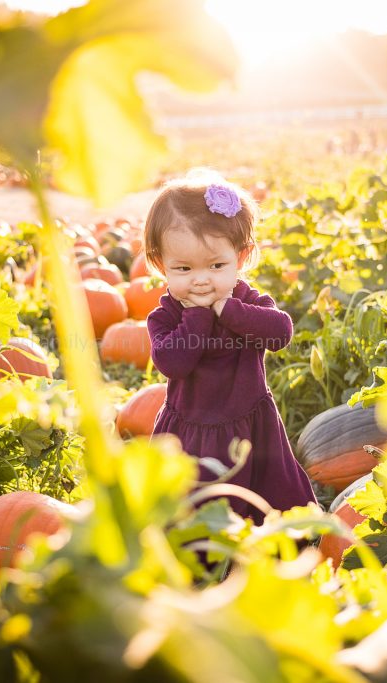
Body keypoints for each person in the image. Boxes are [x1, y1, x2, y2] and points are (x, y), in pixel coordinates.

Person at [142, 171, 317, 524]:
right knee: (196, 508)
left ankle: (284, 539)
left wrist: (228, 310)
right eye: (183, 268)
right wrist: (198, 317)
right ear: (161, 264)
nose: (201, 278)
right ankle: (204, 558)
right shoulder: (166, 315)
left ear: (242, 257)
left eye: (217, 265)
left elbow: (279, 332)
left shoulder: (244, 301)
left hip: (250, 425)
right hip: (191, 432)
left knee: (269, 499)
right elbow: (172, 362)